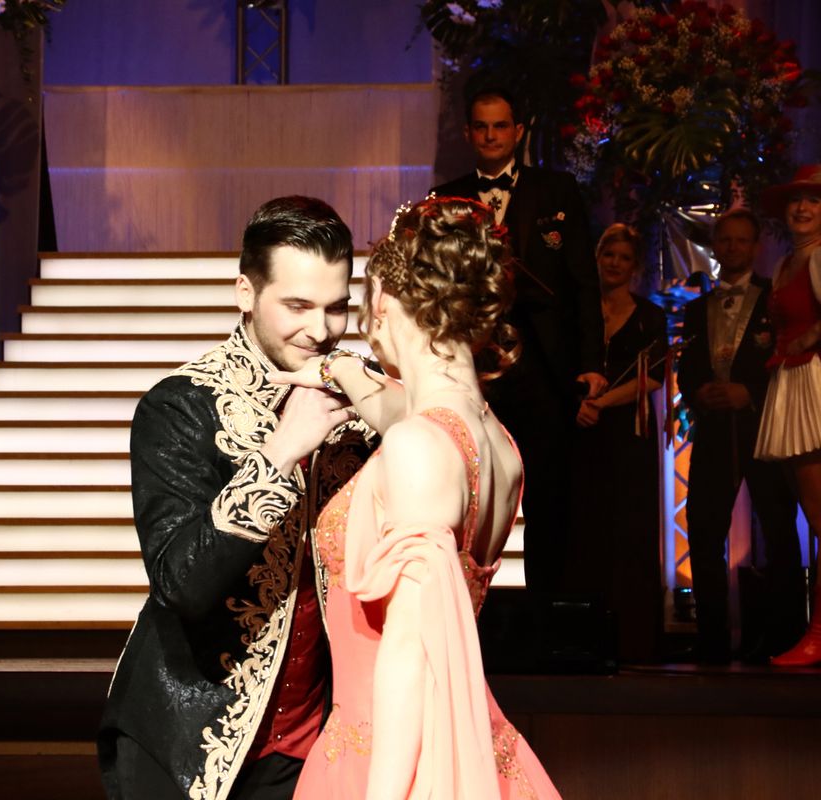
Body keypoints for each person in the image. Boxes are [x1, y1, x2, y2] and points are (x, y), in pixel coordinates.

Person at [98, 196, 387, 800]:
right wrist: (278, 455)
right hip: (185, 741)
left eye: (337, 308)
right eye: (297, 306)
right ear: (245, 293)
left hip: (316, 747)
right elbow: (180, 583)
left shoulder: (362, 403)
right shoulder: (181, 406)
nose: (320, 330)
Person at [274, 197, 561, 798]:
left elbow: (407, 650)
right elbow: (410, 412)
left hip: (392, 753)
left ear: (380, 300)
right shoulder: (498, 444)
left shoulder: (417, 445)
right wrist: (340, 371)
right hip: (465, 743)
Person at [431, 87, 606, 594]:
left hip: (546, 369)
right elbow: (436, 289)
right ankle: (464, 609)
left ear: (518, 131)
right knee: (471, 492)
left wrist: (591, 361)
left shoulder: (557, 191)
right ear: (469, 133)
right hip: (475, 370)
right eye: (482, 127)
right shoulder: (445, 198)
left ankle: (547, 611)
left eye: (500, 126)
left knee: (549, 495)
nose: (491, 136)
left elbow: (582, 282)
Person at [679, 208, 804, 664]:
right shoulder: (696, 308)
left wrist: (748, 392)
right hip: (713, 431)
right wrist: (699, 391)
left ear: (755, 246)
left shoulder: (775, 299)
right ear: (714, 247)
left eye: (741, 240)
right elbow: (686, 368)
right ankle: (712, 639)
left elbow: (790, 361)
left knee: (777, 529)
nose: (732, 247)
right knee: (703, 532)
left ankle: (784, 637)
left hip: (766, 428)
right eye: (725, 240)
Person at [567, 223, 667, 663]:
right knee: (584, 527)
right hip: (580, 430)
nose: (615, 263)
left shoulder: (650, 316)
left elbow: (654, 376)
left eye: (624, 258)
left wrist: (601, 403)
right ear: (597, 257)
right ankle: (583, 638)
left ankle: (633, 642)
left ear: (635, 266)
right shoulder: (578, 312)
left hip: (629, 435)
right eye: (609, 254)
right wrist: (579, 404)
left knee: (630, 530)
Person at [756, 165, 821, 667]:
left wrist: (809, 337)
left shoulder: (819, 257)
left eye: (814, 200)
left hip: (814, 382)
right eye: (796, 199)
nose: (802, 207)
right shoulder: (785, 263)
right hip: (792, 382)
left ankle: (817, 634)